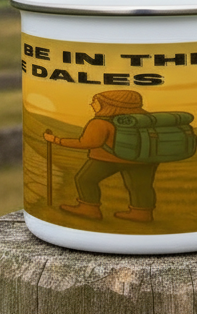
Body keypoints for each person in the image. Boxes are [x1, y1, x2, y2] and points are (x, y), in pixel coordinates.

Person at [43, 89, 157, 223]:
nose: (92, 104)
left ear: (108, 104)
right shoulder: (149, 120)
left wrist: (56, 140)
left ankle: (89, 208)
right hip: (145, 159)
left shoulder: (100, 123)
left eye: (95, 102)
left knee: (85, 179)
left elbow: (86, 143)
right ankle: (142, 213)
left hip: (107, 158)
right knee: (140, 185)